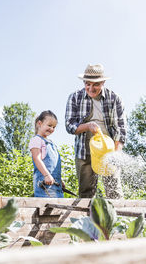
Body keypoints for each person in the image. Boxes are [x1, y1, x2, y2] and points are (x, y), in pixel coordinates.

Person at [65, 64, 126, 199]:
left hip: (108, 149)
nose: (91, 88)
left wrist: (116, 154)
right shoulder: (75, 97)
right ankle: (88, 220)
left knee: (114, 191)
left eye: (96, 85)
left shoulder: (114, 99)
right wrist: (88, 126)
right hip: (84, 149)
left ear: (103, 82)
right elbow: (69, 125)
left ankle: (118, 219)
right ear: (84, 82)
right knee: (86, 192)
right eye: (88, 84)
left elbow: (121, 129)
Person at [29, 110, 64, 198]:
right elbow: (37, 159)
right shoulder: (37, 140)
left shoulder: (51, 143)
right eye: (49, 125)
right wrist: (47, 175)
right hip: (45, 184)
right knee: (47, 209)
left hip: (56, 184)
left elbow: (54, 166)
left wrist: (60, 180)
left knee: (59, 210)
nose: (51, 129)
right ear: (39, 123)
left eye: (54, 127)